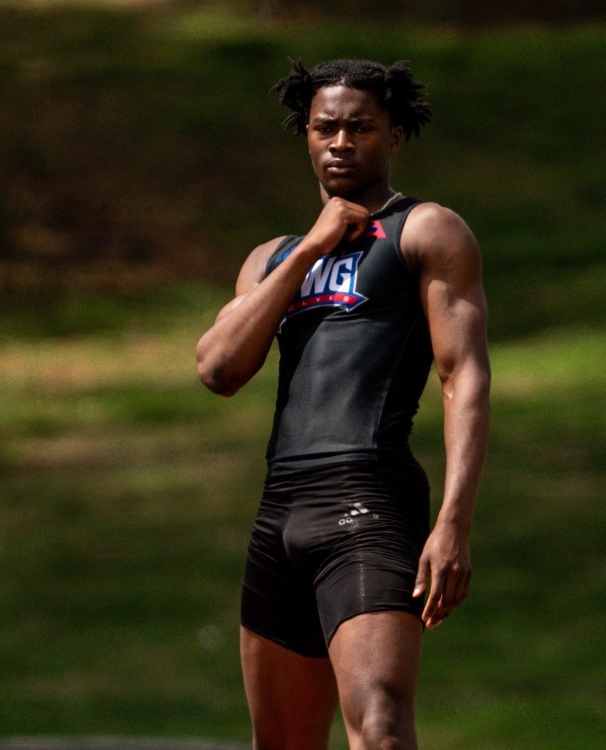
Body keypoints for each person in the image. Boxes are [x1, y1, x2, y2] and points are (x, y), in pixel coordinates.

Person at [195, 58, 490, 750]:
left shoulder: (426, 231)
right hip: (281, 514)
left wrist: (454, 523)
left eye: (360, 127)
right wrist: (309, 252)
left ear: (393, 137)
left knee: (380, 726)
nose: (340, 142)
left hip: (371, 500)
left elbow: (464, 378)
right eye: (325, 127)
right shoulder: (272, 257)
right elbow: (217, 367)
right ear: (305, 134)